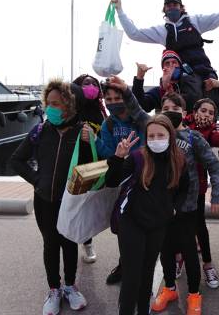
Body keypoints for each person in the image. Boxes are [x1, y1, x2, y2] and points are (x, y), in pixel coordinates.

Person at [104, 76, 219, 315]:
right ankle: (168, 287)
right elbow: (137, 111)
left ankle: (193, 294)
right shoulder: (149, 140)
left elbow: (209, 167)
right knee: (164, 253)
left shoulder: (190, 139)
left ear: (184, 111)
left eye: (175, 109)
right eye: (166, 108)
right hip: (152, 213)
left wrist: (216, 196)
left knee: (188, 252)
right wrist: (128, 90)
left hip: (184, 208)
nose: (170, 112)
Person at [10, 79, 90, 315]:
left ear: (70, 105)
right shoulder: (39, 131)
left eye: (56, 103)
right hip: (44, 200)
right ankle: (54, 289)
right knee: (51, 244)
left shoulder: (82, 132)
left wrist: (92, 142)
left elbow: (93, 165)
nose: (50, 108)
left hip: (71, 200)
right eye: (48, 103)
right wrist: (37, 180)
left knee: (69, 243)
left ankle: (70, 287)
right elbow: (16, 160)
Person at [110, 0, 219, 110]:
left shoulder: (195, 21)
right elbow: (134, 34)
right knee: (186, 95)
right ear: (164, 9)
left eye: (175, 5)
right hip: (181, 76)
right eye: (168, 5)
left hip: (203, 71)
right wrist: (120, 10)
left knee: (212, 96)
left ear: (181, 7)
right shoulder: (162, 31)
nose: (172, 8)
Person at [105, 115, 189, 315]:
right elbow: (112, 181)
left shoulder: (179, 160)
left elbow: (184, 188)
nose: (156, 139)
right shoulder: (138, 157)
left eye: (160, 135)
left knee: (148, 271)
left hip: (158, 224)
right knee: (132, 275)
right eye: (151, 136)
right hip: (131, 221)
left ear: (170, 135)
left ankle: (143, 309)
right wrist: (118, 157)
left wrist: (174, 207)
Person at [81, 78, 144, 285]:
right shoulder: (108, 123)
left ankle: (141, 267)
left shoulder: (140, 121)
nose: (113, 102)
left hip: (142, 182)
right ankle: (124, 264)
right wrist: (96, 141)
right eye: (108, 98)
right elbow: (108, 154)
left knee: (142, 227)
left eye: (118, 97)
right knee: (123, 226)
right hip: (120, 183)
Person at [183, 97, 219, 288]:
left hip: (197, 186)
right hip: (176, 186)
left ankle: (208, 264)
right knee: (177, 225)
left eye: (211, 113)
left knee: (199, 226)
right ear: (194, 110)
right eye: (203, 110)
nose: (206, 115)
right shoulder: (182, 123)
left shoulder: (210, 131)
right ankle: (179, 258)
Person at [71, 73, 107, 264]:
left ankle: (87, 243)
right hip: (74, 166)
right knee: (72, 206)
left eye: (94, 84)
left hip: (95, 165)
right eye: (86, 84)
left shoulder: (101, 111)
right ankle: (70, 241)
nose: (91, 86)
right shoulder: (73, 109)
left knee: (88, 207)